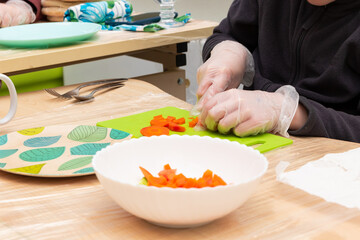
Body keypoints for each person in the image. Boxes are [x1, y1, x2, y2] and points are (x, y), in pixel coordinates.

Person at [195, 0, 360, 143]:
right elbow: (228, 33)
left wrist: (287, 112)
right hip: (250, 140)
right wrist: (229, 52)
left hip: (334, 161)